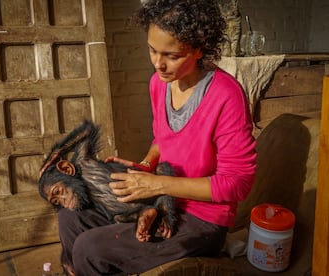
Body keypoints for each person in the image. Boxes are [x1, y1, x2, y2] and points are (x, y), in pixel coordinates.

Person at [57, 0, 257, 275]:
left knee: (89, 249)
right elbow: (163, 139)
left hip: (201, 219)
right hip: (161, 198)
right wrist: (146, 166)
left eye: (172, 55)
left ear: (200, 48)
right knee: (71, 214)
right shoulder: (159, 84)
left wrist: (156, 185)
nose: (159, 64)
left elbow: (237, 184)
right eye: (153, 50)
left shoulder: (225, 95)